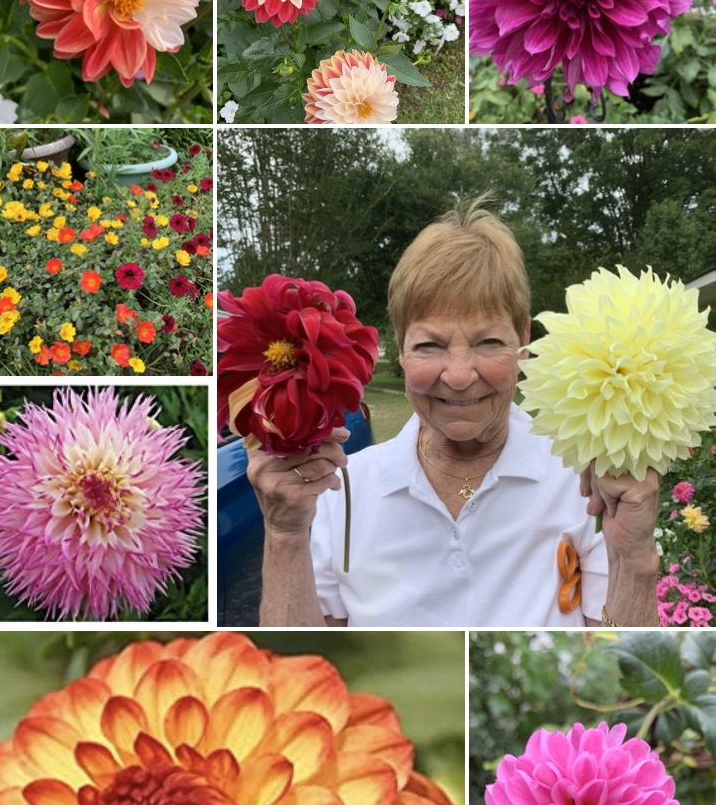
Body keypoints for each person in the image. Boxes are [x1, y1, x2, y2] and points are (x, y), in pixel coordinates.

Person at [246, 203, 661, 628]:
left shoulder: (581, 478)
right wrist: (285, 535)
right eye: (430, 346)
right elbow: (307, 666)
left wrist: (635, 561)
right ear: (400, 348)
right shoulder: (343, 487)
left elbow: (614, 672)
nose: (460, 376)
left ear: (523, 340)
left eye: (488, 342)